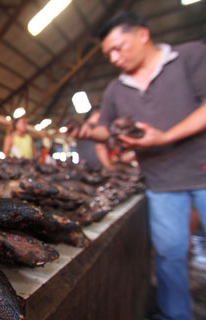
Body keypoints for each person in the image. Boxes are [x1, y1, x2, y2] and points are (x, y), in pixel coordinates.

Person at [71, 11, 206, 320]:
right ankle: (176, 315)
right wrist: (87, 131)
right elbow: (106, 129)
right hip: (161, 182)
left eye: (119, 47)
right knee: (170, 256)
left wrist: (167, 136)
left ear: (143, 34)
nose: (114, 57)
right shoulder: (116, 90)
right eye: (108, 54)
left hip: (202, 170)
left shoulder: (190, 57)